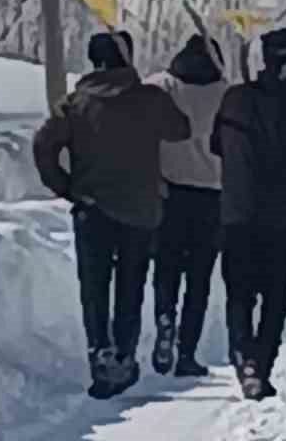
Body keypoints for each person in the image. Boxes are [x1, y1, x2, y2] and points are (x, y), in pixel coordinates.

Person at [33, 31, 190, 400]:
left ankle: (99, 354)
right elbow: (180, 129)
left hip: (92, 208)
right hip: (140, 210)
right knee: (130, 286)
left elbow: (42, 145)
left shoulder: (75, 104)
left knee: (95, 287)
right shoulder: (149, 99)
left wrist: (65, 186)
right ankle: (124, 354)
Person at [210, 26, 286, 401]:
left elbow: (216, 144)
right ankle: (262, 362)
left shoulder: (235, 99)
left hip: (236, 211)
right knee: (275, 297)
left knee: (239, 293)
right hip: (280, 217)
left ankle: (244, 360)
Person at [146, 33, 227, 379]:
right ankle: (187, 353)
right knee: (199, 278)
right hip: (211, 195)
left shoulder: (160, 87)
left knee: (166, 268)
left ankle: (165, 316)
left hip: (169, 192)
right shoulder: (226, 94)